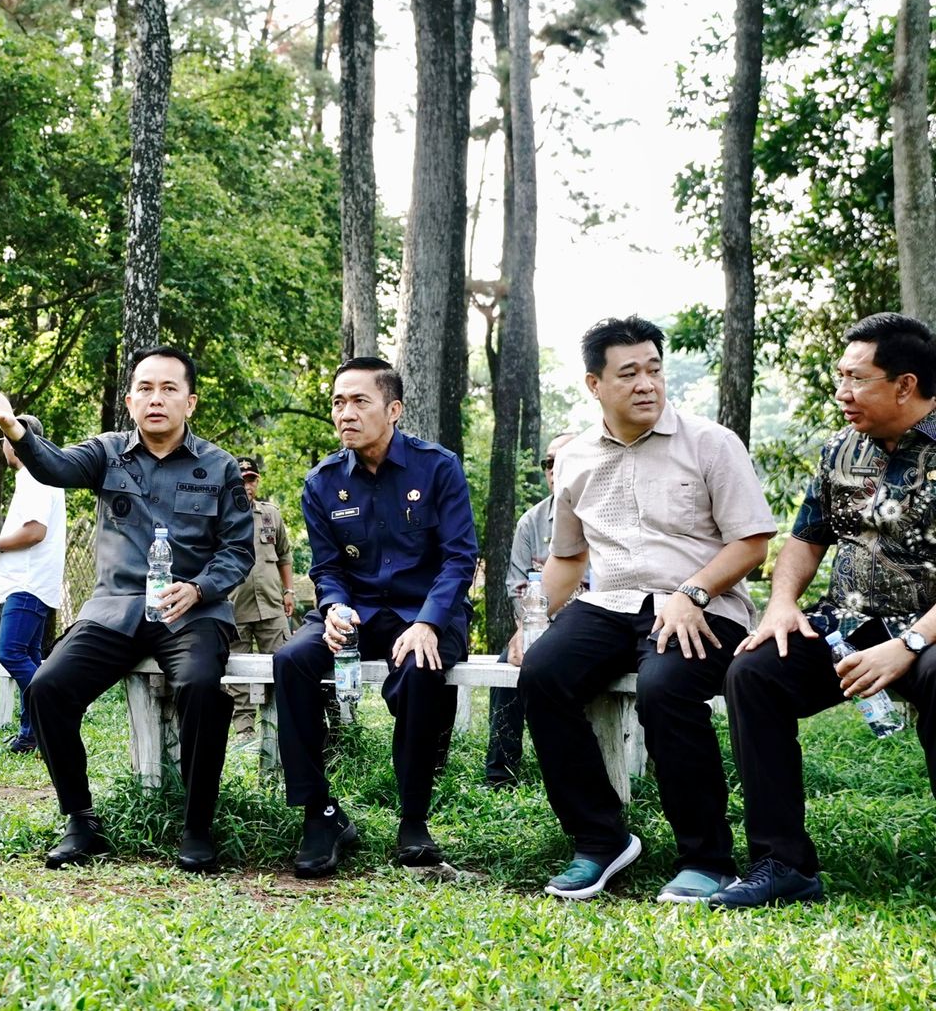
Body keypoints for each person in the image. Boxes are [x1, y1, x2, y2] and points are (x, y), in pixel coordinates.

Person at [0, 346, 254, 872]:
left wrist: (199, 589)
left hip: (190, 612)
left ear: (190, 402)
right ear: (130, 400)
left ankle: (196, 828)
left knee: (200, 688)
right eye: (145, 388)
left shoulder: (219, 466)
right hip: (115, 609)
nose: (156, 398)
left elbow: (237, 550)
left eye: (168, 389)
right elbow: (53, 466)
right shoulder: (107, 453)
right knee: (47, 687)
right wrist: (14, 428)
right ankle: (80, 821)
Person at [520, 316, 775, 903]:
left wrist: (693, 592)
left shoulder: (710, 443)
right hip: (609, 602)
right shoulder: (577, 457)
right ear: (595, 384)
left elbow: (752, 542)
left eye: (654, 370)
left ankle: (706, 859)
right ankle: (599, 839)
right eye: (629, 373)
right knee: (541, 674)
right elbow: (568, 557)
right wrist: (531, 622)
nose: (647, 384)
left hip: (703, 603)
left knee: (665, 688)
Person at [713, 313, 936, 908]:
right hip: (849, 623)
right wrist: (782, 605)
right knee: (754, 673)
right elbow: (806, 539)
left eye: (857, 379)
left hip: (929, 632)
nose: (842, 392)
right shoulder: (840, 449)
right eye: (840, 376)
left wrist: (909, 645)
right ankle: (781, 864)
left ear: (906, 385)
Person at [273, 357, 478, 878]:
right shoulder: (321, 482)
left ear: (393, 409)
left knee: (420, 667)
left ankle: (413, 821)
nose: (345, 413)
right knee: (292, 660)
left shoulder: (438, 467)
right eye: (338, 402)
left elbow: (460, 558)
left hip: (426, 610)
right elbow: (326, 567)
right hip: (357, 610)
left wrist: (428, 622)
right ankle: (320, 815)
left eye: (359, 401)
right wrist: (334, 607)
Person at [484, 432, 577, 789]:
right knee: (507, 662)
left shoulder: (604, 515)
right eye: (548, 463)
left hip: (592, 629)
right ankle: (500, 774)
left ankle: (574, 769)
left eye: (562, 461)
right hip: (540, 626)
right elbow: (517, 586)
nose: (553, 469)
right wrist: (529, 626)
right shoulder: (531, 522)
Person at [0, 414, 66, 754]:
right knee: (28, 655)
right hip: (33, 581)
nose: (3, 445)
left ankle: (55, 708)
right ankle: (31, 735)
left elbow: (35, 532)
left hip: (27, 584)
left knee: (10, 652)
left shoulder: (34, 477)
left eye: (4, 438)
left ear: (14, 442)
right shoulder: (41, 475)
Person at [226, 454, 297, 736]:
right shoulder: (221, 516)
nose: (247, 485)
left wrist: (289, 591)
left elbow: (284, 555)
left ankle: (281, 724)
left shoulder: (271, 514)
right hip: (235, 606)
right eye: (242, 480)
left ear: (257, 481)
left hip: (271, 605)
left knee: (283, 662)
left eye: (251, 480)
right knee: (237, 670)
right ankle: (244, 728)